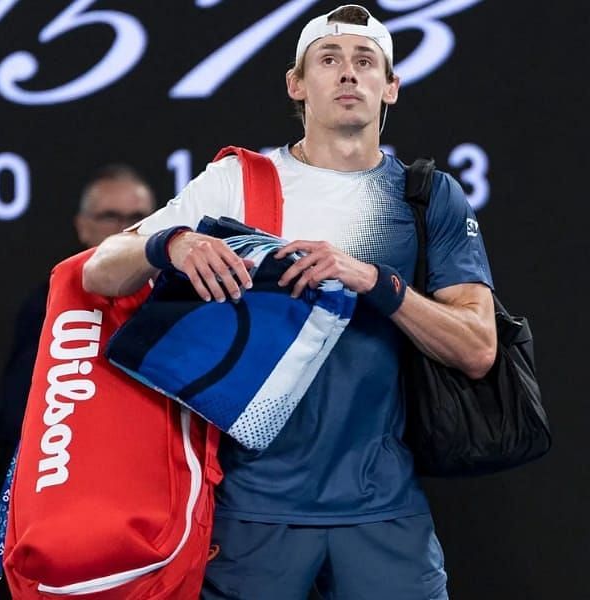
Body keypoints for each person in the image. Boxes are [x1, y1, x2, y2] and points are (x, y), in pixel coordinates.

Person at [82, 5, 495, 599]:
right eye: (328, 60)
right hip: (251, 513)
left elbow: (478, 348)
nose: (348, 74)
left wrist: (374, 280)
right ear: (297, 85)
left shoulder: (427, 198)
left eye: (365, 61)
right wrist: (171, 242)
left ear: (391, 87)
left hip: (383, 511)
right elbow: (101, 269)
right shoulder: (238, 181)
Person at [0, 165, 154, 494]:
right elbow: (17, 414)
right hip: (60, 477)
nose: (125, 230)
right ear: (83, 227)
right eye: (111, 216)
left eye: (138, 218)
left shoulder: (174, 308)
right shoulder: (48, 306)